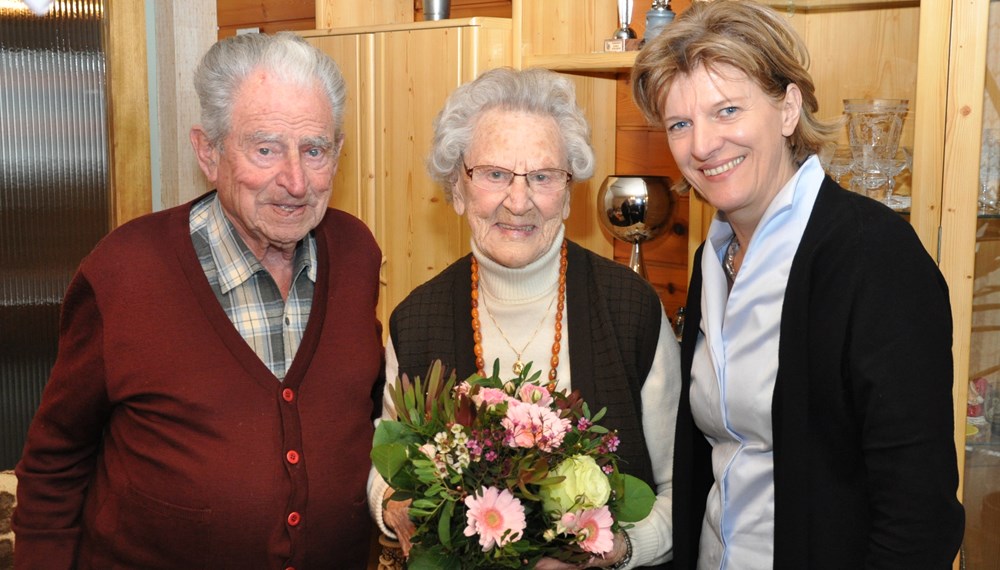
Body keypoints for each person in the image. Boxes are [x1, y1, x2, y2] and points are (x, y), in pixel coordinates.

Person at [13, 32, 384, 569]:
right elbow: (55, 462)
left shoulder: (355, 254)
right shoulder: (125, 272)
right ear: (208, 152)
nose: (295, 181)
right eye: (265, 148)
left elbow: (363, 411)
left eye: (314, 150)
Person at [630, 1, 964, 568]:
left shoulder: (872, 255)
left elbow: (920, 517)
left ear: (788, 109)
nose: (703, 145)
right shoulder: (714, 256)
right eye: (680, 124)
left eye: (728, 110)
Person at [367, 67, 681, 569]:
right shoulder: (415, 319)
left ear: (569, 190)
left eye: (542, 176)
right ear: (457, 187)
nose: (519, 201)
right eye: (494, 174)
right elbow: (387, 470)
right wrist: (392, 506)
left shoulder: (632, 310)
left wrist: (613, 551)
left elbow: (679, 490)